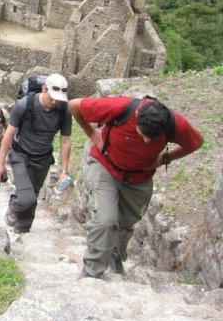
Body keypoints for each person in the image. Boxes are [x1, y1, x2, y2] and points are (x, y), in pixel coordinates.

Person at [68, 94, 203, 278]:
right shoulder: (119, 107)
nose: (147, 141)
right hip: (105, 167)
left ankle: (115, 256)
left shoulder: (175, 124)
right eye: (143, 134)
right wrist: (92, 134)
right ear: (137, 118)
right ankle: (92, 271)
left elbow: (195, 143)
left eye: (153, 138)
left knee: (125, 224)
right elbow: (74, 105)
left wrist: (165, 159)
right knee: (105, 219)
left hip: (139, 178)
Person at [0, 74, 72, 233]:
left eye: (59, 99)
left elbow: (65, 140)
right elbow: (9, 134)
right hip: (20, 156)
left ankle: (23, 227)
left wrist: (64, 171)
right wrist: (0, 163)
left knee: (33, 194)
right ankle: (14, 206)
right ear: (44, 89)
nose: (55, 102)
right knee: (26, 196)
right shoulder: (25, 104)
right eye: (52, 97)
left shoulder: (64, 110)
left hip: (43, 159)